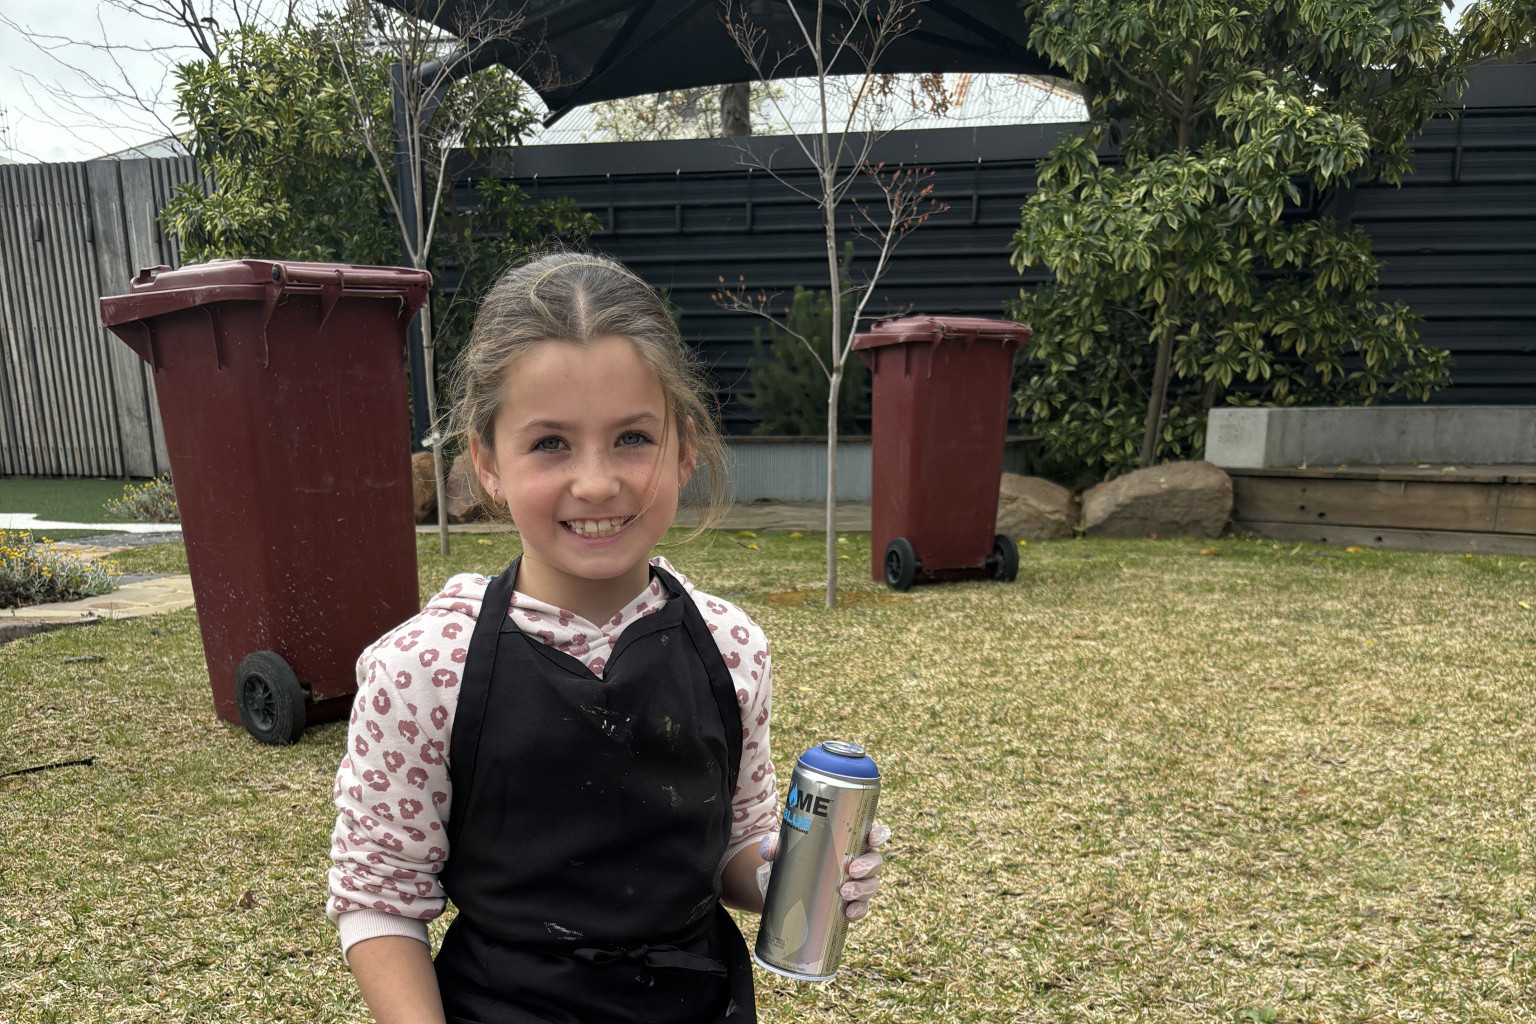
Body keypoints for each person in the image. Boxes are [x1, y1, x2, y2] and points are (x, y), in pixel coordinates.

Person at [326, 251, 888, 1024]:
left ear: (685, 447)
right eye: (550, 443)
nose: (596, 482)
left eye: (632, 438)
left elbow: (735, 847)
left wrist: (799, 872)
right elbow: (379, 900)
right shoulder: (424, 670)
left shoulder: (731, 647)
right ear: (487, 463)